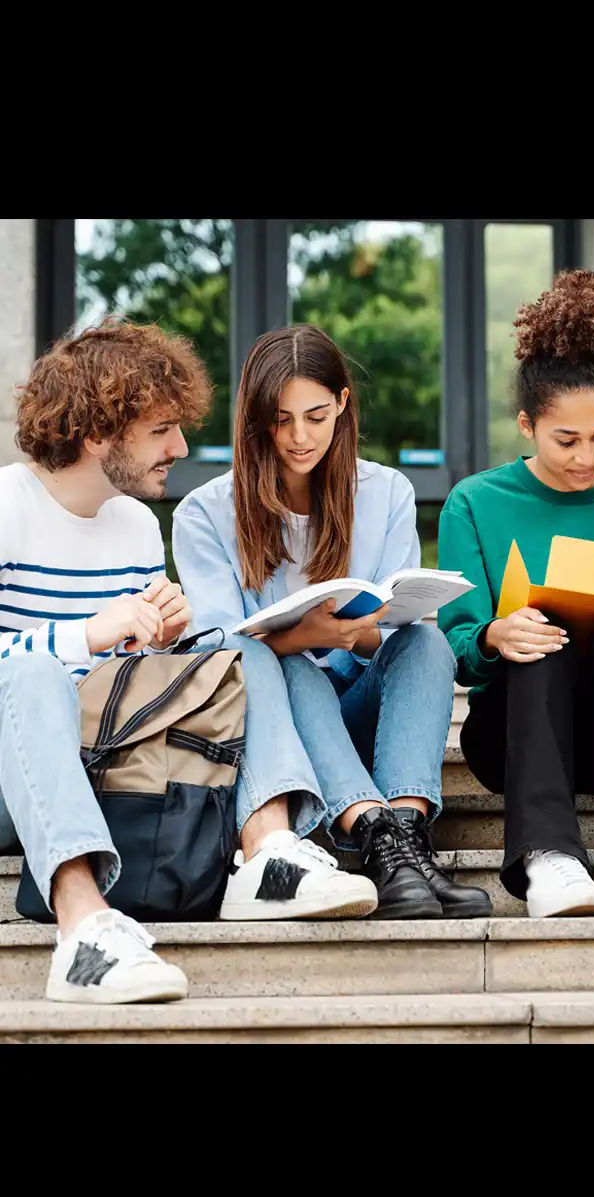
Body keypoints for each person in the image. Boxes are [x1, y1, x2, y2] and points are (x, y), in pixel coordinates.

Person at [2, 319, 373, 1006]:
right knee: (30, 675)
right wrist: (86, 633)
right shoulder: (7, 507)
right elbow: (39, 673)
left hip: (114, 760)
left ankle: (267, 854)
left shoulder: (139, 526)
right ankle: (83, 931)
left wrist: (160, 643)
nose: (179, 446)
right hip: (14, 773)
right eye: (160, 431)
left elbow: (129, 677)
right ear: (96, 433)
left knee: (226, 647)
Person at [173, 324, 489, 920]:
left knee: (425, 641)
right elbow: (219, 648)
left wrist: (359, 631)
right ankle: (373, 833)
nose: (299, 437)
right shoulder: (205, 512)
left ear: (343, 405)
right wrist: (304, 636)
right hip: (276, 728)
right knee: (283, 661)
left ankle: (406, 840)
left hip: (362, 706)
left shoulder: (385, 491)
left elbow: (391, 630)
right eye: (281, 418)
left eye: (316, 416)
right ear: (256, 417)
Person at [437, 269, 594, 918]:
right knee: (541, 624)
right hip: (514, 735)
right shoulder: (473, 502)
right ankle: (549, 861)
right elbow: (456, 644)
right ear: (527, 425)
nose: (587, 456)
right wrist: (496, 633)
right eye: (566, 440)